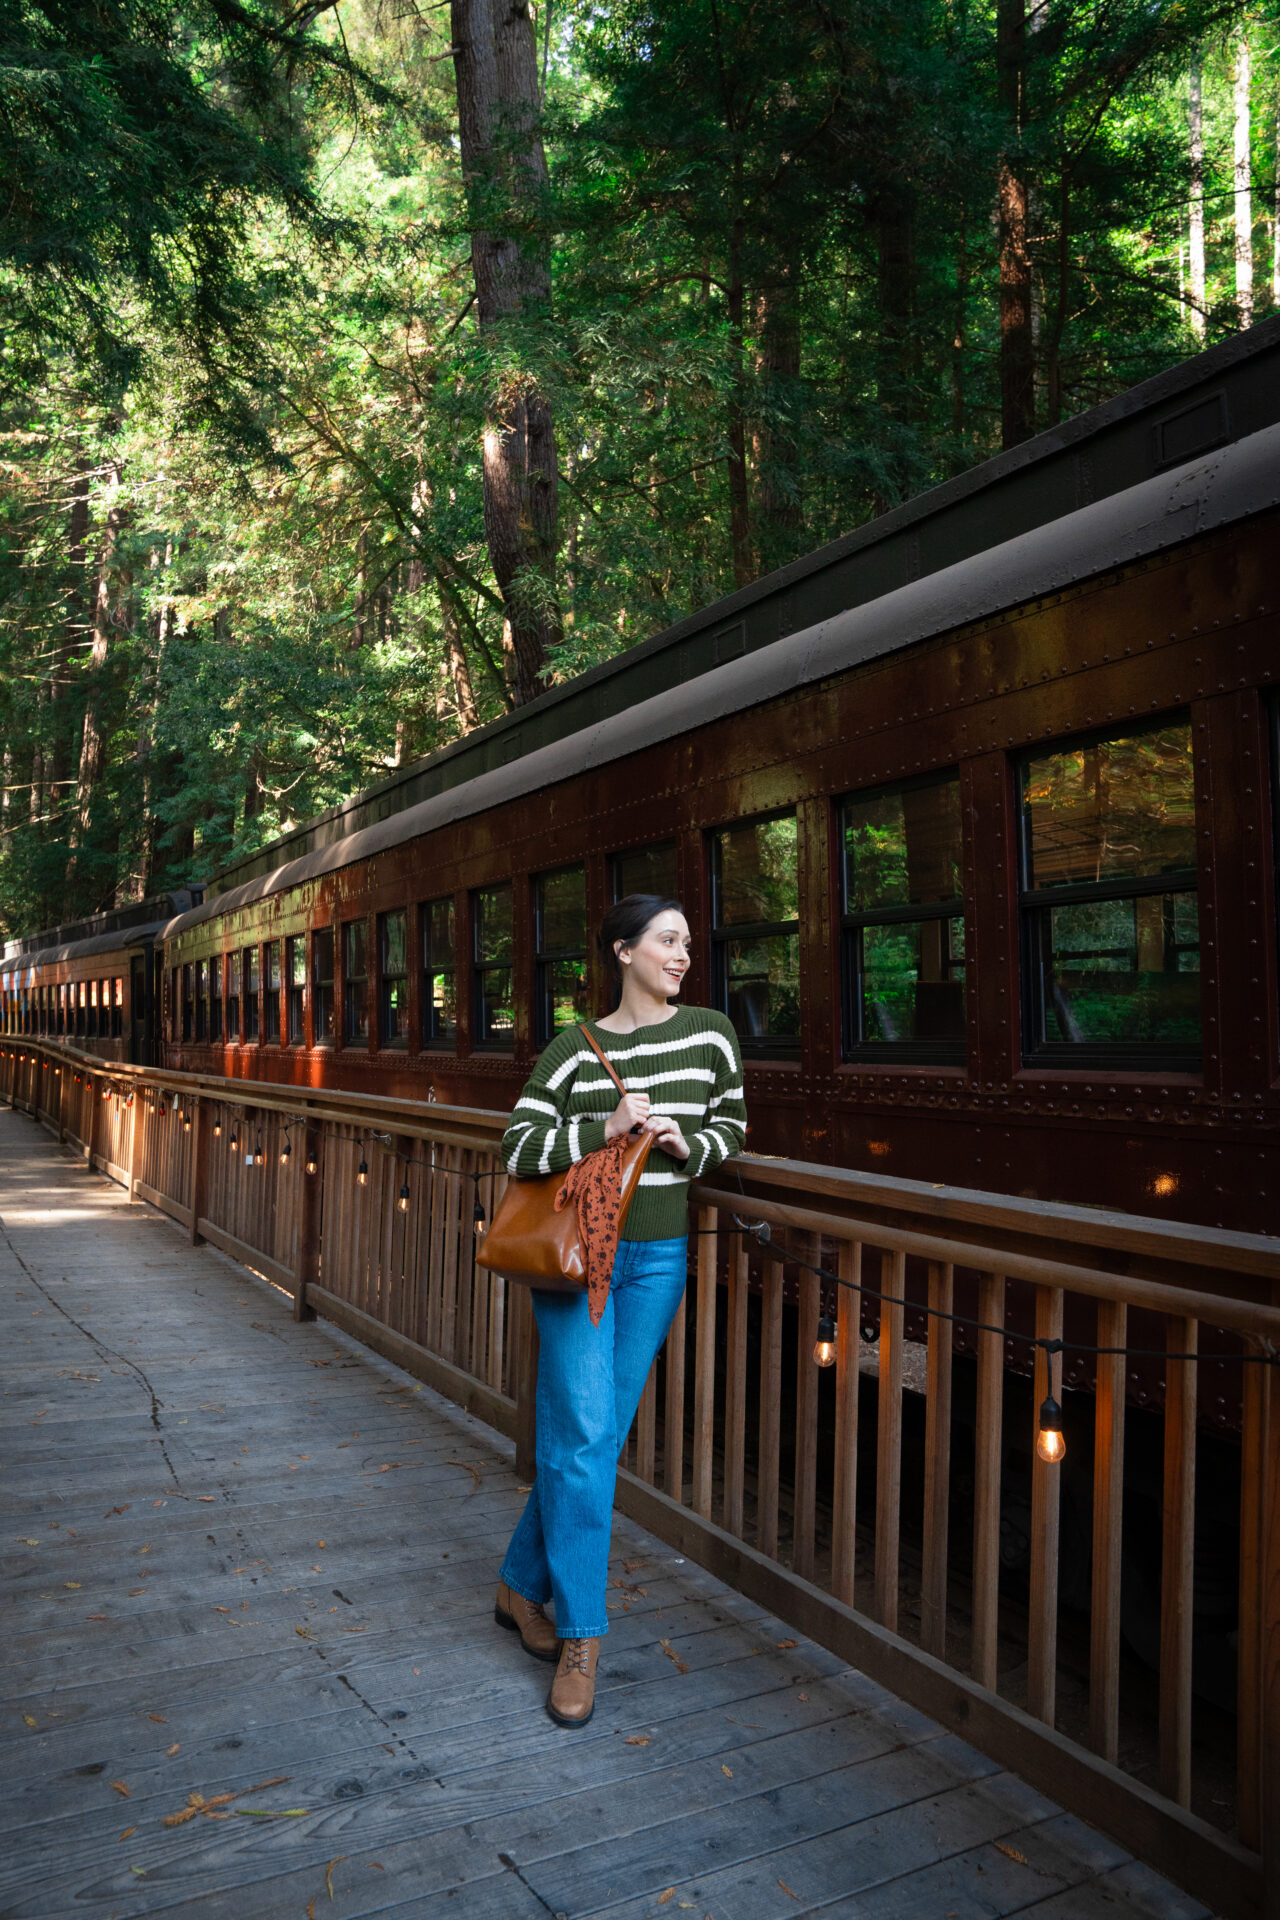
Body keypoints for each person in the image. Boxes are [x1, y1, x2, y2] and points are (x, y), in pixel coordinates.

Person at [493, 894, 747, 1726]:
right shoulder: (575, 1050)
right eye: (667, 941)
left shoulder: (709, 1034)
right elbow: (519, 1146)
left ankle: (516, 1584)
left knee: (588, 1439)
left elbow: (733, 1126)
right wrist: (603, 1126)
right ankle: (580, 1639)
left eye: (685, 941)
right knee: (590, 1437)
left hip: (658, 1261)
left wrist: (688, 1145)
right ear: (623, 951)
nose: (682, 954)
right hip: (578, 1264)